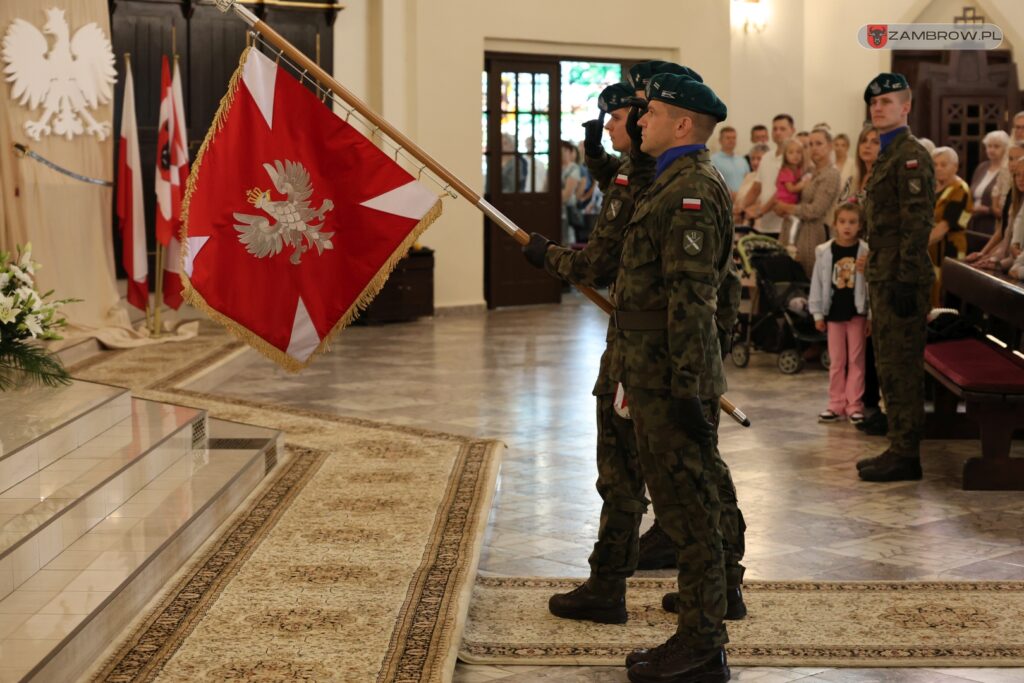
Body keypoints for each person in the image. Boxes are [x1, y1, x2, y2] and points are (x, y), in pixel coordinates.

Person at [610, 71, 734, 683]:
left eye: (651, 113)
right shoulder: (668, 182)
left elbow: (692, 301)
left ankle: (703, 647)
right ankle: (697, 636)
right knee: (684, 509)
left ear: (683, 124)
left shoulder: (690, 190)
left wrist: (687, 389)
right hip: (656, 371)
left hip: (671, 378)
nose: (640, 122)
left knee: (689, 514)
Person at [523, 82, 657, 625]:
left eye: (617, 116)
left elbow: (597, 262)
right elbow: (619, 186)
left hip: (641, 347)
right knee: (680, 467)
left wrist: (545, 256)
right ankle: (724, 579)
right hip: (656, 339)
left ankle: (608, 587)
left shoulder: (647, 176)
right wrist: (600, 156)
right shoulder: (654, 171)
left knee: (626, 466)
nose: (612, 124)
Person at [855, 73, 936, 483]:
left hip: (901, 278)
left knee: (902, 366)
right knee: (888, 364)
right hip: (885, 275)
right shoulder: (886, 154)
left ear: (905, 107)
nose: (878, 107)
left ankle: (907, 453)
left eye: (887, 102)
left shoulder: (910, 156)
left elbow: (917, 224)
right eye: (874, 102)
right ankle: (898, 444)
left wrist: (905, 278)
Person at [810, 202, 870, 424]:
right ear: (834, 224)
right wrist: (817, 313)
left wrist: (871, 315)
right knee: (837, 361)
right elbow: (817, 283)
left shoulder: (865, 251)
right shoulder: (825, 251)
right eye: (842, 221)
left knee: (856, 360)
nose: (847, 227)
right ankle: (835, 404)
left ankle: (854, 405)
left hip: (857, 313)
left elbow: (869, 287)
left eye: (852, 222)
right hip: (834, 313)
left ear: (860, 225)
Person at [775, 129, 841, 276]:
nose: (814, 148)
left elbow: (815, 210)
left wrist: (787, 207)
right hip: (795, 231)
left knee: (809, 281)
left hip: (814, 234)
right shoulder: (809, 171)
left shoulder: (831, 174)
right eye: (810, 144)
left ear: (830, 146)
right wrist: (780, 207)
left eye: (819, 143)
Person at [927, 146, 973, 305]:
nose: (938, 168)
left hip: (949, 248)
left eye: (943, 164)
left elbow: (943, 227)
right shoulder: (933, 186)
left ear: (955, 166)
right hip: (932, 249)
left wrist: (917, 245)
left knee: (946, 297)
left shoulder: (959, 188)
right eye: (935, 164)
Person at [738, 113, 795, 235]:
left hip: (784, 226)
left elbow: (781, 191)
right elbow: (756, 188)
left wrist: (760, 211)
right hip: (764, 225)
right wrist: (739, 208)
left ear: (792, 130)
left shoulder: (795, 158)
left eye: (782, 129)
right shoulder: (767, 157)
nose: (778, 132)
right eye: (775, 129)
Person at [968, 130, 1011, 237]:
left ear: (1005, 148)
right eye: (989, 146)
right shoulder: (982, 167)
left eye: (996, 146)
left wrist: (987, 210)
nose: (991, 150)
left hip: (992, 225)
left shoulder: (1007, 171)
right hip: (973, 222)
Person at [711, 126, 750, 200]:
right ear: (720, 140)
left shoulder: (742, 160)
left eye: (734, 138)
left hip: (743, 203)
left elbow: (748, 181)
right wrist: (729, 193)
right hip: (724, 201)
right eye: (728, 138)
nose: (731, 140)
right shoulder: (713, 160)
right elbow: (713, 183)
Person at [734, 143, 768, 226]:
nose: (755, 162)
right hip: (741, 220)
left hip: (758, 220)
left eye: (759, 159)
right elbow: (740, 197)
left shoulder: (769, 177)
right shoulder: (749, 176)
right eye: (753, 159)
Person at [560, 140, 583, 242]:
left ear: (569, 151)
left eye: (563, 150)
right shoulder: (555, 167)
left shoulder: (573, 168)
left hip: (567, 211)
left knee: (565, 240)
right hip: (558, 209)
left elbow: (566, 195)